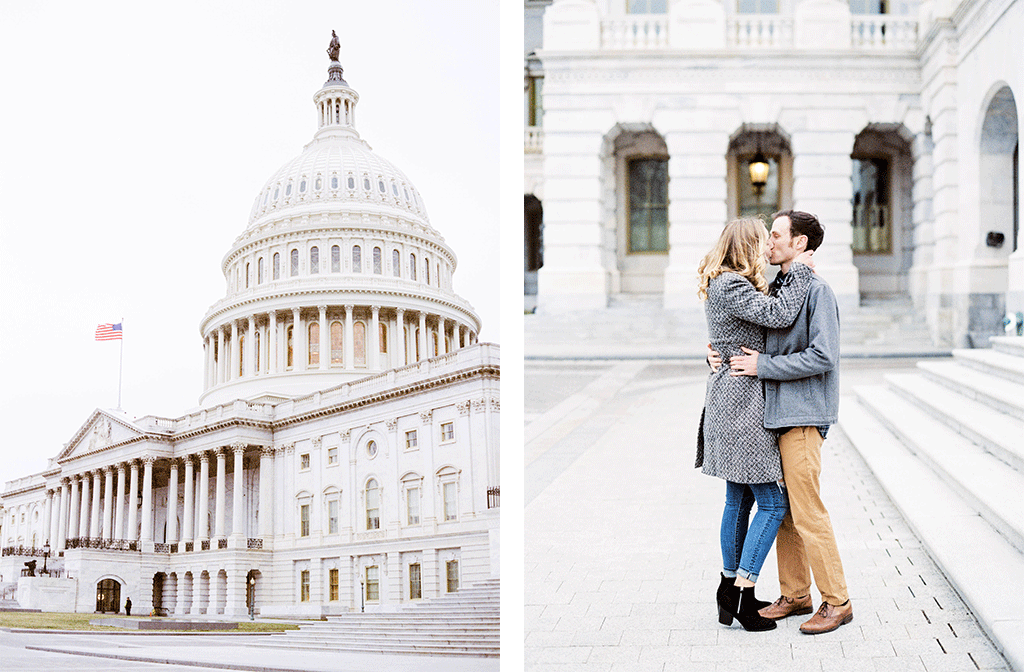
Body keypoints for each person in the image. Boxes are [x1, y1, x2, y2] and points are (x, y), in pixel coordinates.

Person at [713, 209, 852, 635]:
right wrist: (716, 351)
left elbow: (823, 356)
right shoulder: (779, 288)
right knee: (787, 512)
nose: (768, 242)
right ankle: (795, 594)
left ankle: (837, 601)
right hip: (772, 415)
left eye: (776, 235)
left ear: (800, 244)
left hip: (803, 414)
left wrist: (763, 366)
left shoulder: (817, 290)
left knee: (808, 512)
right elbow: (748, 332)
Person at [697, 217, 814, 632]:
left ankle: (728, 588)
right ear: (746, 245)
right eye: (762, 242)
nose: (767, 249)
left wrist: (712, 356)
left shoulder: (726, 283)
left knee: (739, 500)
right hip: (741, 405)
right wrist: (800, 267)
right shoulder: (731, 284)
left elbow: (725, 340)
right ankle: (743, 592)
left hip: (733, 398)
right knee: (772, 502)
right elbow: (780, 315)